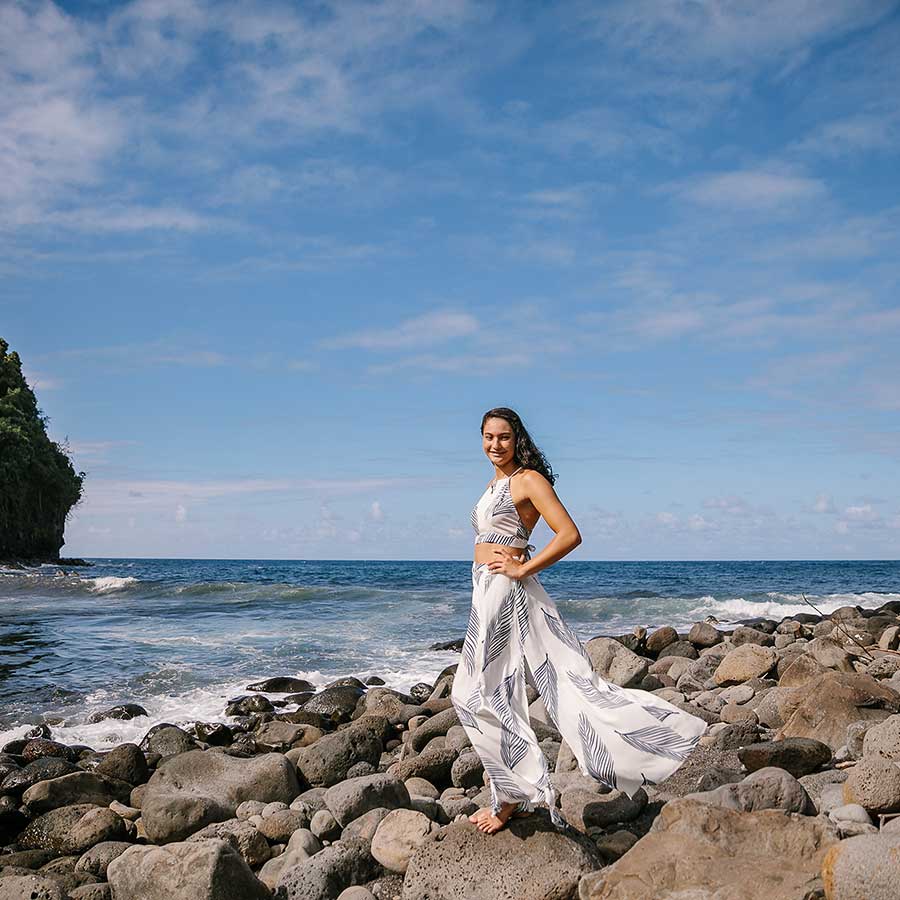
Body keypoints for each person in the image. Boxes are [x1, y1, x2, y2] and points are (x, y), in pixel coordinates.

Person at [451, 407, 707, 834]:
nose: (495, 445)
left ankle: (513, 795)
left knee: (474, 692)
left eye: (504, 437)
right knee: (489, 691)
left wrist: (522, 569)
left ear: (518, 440)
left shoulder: (527, 480)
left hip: (504, 590)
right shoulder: (495, 483)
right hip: (485, 589)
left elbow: (569, 533)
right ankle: (512, 791)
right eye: (488, 437)